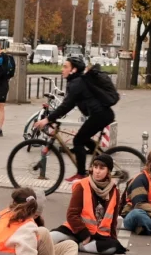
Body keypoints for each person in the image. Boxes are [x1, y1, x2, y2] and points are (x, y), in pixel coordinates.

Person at [33, 55, 114, 184]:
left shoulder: (77, 83)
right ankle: (104, 161)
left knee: (78, 141)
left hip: (100, 115)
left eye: (65, 67)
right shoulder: (77, 81)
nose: (62, 69)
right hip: (101, 114)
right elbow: (69, 104)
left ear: (74, 70)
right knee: (84, 138)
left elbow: (66, 105)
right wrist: (53, 117)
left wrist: (47, 119)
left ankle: (81, 174)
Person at [52, 153, 127, 255]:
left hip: (99, 235)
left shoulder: (114, 191)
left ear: (108, 171)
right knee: (50, 238)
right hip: (76, 230)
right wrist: (85, 235)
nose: (97, 171)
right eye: (95, 167)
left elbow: (113, 220)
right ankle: (76, 243)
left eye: (102, 168)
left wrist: (114, 239)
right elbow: (72, 215)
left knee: (114, 247)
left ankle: (78, 246)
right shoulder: (82, 185)